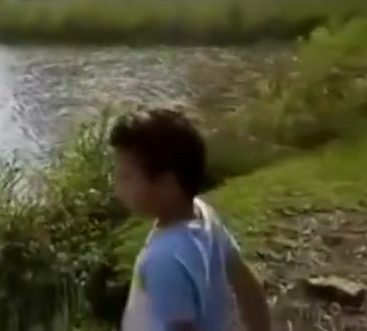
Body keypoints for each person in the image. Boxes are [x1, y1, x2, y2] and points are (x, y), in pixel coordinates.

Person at [109, 108, 271, 331]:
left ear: (167, 185)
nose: (117, 183)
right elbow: (247, 285)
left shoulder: (162, 261)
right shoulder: (204, 215)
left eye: (126, 176)